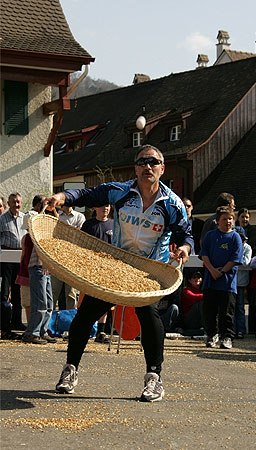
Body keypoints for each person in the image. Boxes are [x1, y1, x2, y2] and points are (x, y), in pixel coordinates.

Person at [45, 144, 193, 402]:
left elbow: (185, 234)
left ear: (162, 168)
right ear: (135, 167)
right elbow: (88, 194)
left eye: (153, 162)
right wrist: (62, 198)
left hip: (148, 273)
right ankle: (70, 369)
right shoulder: (121, 192)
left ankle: (154, 378)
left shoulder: (173, 204)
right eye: (142, 161)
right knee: (84, 316)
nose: (148, 166)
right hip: (116, 268)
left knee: (150, 318)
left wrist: (184, 247)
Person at [200, 206, 243, 350]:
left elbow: (235, 258)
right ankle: (212, 335)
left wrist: (222, 271)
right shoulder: (210, 236)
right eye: (224, 219)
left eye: (230, 218)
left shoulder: (235, 237)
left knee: (226, 313)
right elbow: (204, 255)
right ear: (218, 221)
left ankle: (227, 337)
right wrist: (212, 270)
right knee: (209, 311)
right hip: (210, 281)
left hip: (227, 282)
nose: (228, 221)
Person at [20, 210, 57, 345]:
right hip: (37, 269)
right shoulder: (31, 237)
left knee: (48, 302)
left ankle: (42, 330)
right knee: (40, 301)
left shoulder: (38, 236)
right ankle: (32, 332)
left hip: (44, 270)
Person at [81, 204, 114, 343]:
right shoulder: (88, 225)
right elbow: (81, 246)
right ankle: (85, 329)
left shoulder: (114, 224)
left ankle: (101, 330)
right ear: (95, 208)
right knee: (88, 299)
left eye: (107, 206)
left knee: (105, 299)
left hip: (109, 268)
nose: (105, 208)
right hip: (91, 269)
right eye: (102, 206)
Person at [0, 192, 27, 339]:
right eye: (14, 202)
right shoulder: (2, 219)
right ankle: (4, 327)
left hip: (20, 257)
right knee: (5, 293)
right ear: (8, 204)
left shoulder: (24, 218)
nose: (16, 205)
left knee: (18, 293)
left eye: (18, 202)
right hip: (6, 259)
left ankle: (16, 321)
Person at [16, 195, 45, 324]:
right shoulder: (29, 239)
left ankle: (31, 325)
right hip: (28, 272)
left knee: (32, 301)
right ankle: (31, 325)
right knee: (30, 301)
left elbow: (23, 257)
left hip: (27, 272)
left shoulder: (27, 238)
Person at [51, 205, 86, 310]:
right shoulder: (56, 216)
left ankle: (69, 319)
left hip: (73, 260)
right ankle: (49, 321)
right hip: (57, 259)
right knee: (53, 291)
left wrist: (64, 233)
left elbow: (80, 235)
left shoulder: (80, 217)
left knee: (71, 293)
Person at [234, 229, 252, 339]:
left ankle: (240, 329)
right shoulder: (231, 246)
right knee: (229, 307)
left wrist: (233, 262)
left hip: (241, 282)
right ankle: (231, 329)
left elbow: (246, 262)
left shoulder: (247, 248)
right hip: (230, 281)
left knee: (240, 307)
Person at [180, 269, 205, 335]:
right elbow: (194, 297)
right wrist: (208, 296)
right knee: (200, 303)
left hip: (198, 320)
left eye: (199, 277)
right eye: (194, 277)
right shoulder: (186, 290)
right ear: (189, 280)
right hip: (189, 320)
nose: (197, 279)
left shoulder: (202, 290)